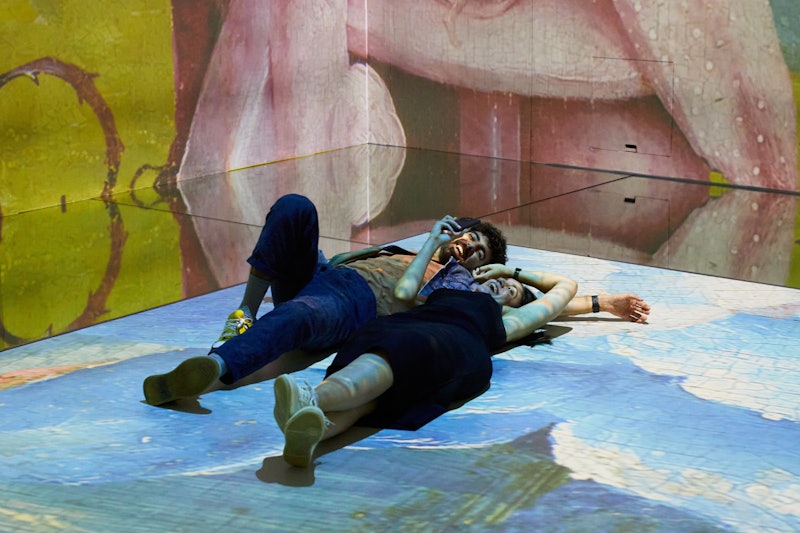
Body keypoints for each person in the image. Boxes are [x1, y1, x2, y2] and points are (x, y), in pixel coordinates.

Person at [142, 194, 648, 406]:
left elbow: (537, 304)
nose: (470, 247)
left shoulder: (458, 283)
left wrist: (605, 303)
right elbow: (338, 261)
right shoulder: (408, 247)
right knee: (295, 208)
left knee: (301, 315)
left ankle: (214, 368)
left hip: (359, 302)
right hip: (326, 274)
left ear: (483, 267)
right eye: (471, 237)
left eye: (480, 252)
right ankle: (245, 313)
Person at [272, 218, 579, 467]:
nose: (502, 284)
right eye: (499, 279)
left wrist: (511, 271)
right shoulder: (450, 287)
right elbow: (403, 294)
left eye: (511, 291)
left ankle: (311, 398)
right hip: (411, 328)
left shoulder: (508, 320)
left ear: (515, 306)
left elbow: (566, 285)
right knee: (372, 402)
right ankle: (310, 435)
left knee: (390, 355)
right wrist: (433, 241)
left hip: (448, 342)